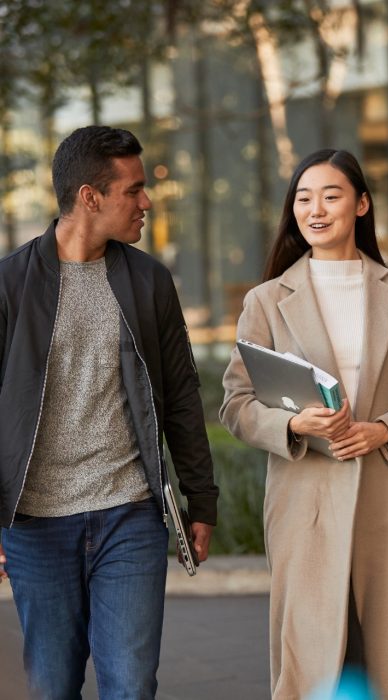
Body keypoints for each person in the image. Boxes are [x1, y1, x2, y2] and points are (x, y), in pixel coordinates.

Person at [220, 148, 388, 699]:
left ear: (362, 204)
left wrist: (385, 430)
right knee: (315, 663)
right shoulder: (267, 300)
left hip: (386, 498)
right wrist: (295, 427)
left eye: (331, 195)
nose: (315, 209)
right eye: (303, 198)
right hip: (305, 504)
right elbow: (236, 403)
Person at [0, 125, 219, 699]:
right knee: (52, 686)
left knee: (129, 683)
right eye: (134, 190)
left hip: (130, 515)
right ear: (90, 197)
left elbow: (181, 395)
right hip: (34, 526)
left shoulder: (149, 281)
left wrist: (202, 499)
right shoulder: (9, 285)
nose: (147, 202)